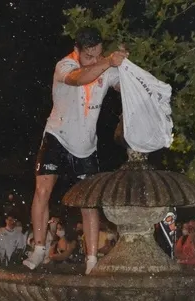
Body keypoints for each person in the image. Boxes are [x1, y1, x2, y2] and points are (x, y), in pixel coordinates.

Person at [23, 27, 128, 274]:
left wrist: (124, 66)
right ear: (77, 50)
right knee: (42, 190)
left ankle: (92, 260)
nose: (94, 60)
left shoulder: (104, 65)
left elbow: (121, 85)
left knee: (89, 203)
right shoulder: (65, 66)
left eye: (98, 54)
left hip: (86, 144)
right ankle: (39, 249)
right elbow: (80, 78)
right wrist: (106, 63)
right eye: (89, 56)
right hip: (57, 135)